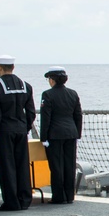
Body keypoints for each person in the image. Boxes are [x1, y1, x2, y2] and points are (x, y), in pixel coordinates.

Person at [0, 55, 36, 211]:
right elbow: (30, 111)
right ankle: (25, 199)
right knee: (22, 165)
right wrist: (26, 127)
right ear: (13, 67)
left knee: (7, 166)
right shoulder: (26, 86)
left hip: (4, 130)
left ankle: (11, 201)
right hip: (21, 130)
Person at [39, 66, 82, 204]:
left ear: (52, 80)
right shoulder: (73, 94)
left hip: (55, 135)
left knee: (56, 166)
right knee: (69, 165)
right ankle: (70, 195)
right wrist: (77, 133)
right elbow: (78, 116)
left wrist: (43, 138)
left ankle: (58, 196)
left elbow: (46, 118)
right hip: (71, 133)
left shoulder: (47, 95)